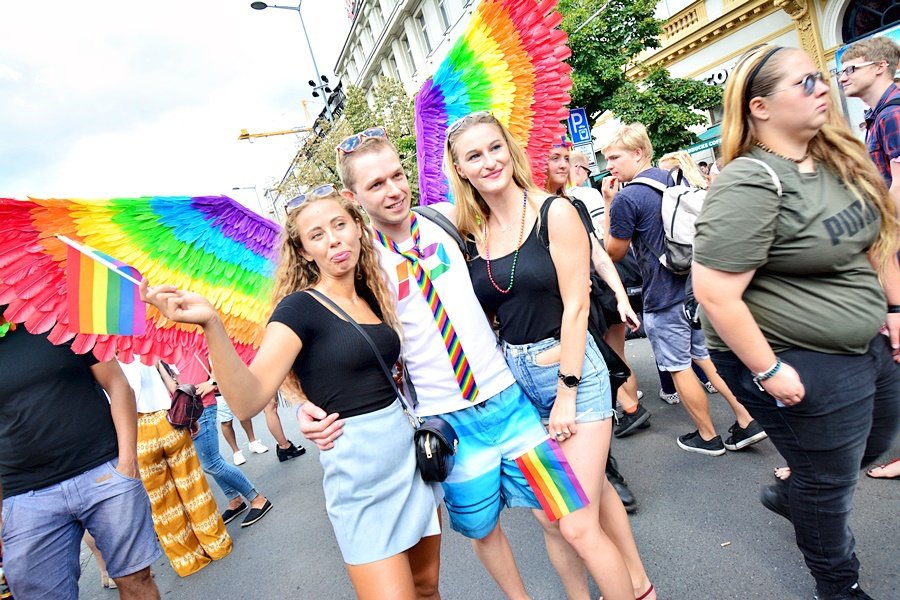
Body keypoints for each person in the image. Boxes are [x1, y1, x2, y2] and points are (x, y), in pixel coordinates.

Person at [301, 128, 649, 599]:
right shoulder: (359, 264)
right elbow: (324, 336)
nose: (393, 190)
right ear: (353, 196)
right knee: (484, 531)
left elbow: (523, 240)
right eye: (376, 184)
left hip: (511, 401)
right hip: (450, 424)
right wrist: (305, 402)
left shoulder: (451, 220)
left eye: (397, 175)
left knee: (564, 517)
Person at [142, 186, 442, 600]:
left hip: (408, 459)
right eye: (317, 234)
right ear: (303, 251)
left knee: (427, 588)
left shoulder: (374, 294)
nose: (333, 239)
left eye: (340, 225)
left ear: (358, 227)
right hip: (359, 477)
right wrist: (211, 323)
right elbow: (248, 399)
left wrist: (306, 402)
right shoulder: (298, 309)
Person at [692, 45, 900, 600]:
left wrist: (897, 309)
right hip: (796, 360)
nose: (824, 88)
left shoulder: (836, 156)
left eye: (823, 77)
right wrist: (769, 371)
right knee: (827, 483)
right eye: (806, 82)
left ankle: (795, 493)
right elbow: (713, 291)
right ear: (760, 107)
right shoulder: (751, 181)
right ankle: (838, 585)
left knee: (878, 440)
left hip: (867, 344)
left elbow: (877, 244)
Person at [448, 112, 654, 600]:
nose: (489, 161)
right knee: (562, 510)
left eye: (495, 148)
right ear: (460, 170)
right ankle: (637, 585)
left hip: (571, 376)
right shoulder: (472, 233)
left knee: (572, 521)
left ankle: (636, 588)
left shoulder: (552, 212)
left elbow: (578, 302)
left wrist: (566, 390)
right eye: (474, 156)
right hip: (516, 384)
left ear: (510, 149)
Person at [602, 123, 767, 456]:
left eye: (614, 157)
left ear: (637, 153)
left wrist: (608, 203)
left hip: (662, 295)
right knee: (706, 359)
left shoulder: (627, 197)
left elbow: (612, 252)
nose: (609, 166)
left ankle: (707, 436)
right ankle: (747, 419)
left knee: (678, 366)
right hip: (696, 287)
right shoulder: (672, 179)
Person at [0, 322, 161, 598]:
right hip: (25, 496)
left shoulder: (55, 314)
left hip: (103, 472)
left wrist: (127, 464)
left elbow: (118, 384)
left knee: (136, 579)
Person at [119, 358, 232, 576]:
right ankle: (217, 545)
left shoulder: (102, 359)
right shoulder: (144, 348)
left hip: (137, 432)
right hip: (169, 421)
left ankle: (188, 560)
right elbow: (174, 386)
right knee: (194, 487)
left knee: (162, 504)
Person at [566, 150, 648, 441]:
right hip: (613, 281)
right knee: (617, 351)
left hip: (596, 284)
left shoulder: (573, 200)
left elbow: (601, 247)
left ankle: (629, 407)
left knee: (605, 354)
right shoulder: (589, 197)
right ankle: (632, 406)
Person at [187, 361, 273, 529]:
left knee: (211, 463)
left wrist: (212, 381)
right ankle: (235, 500)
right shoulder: (155, 338)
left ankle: (257, 499)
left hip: (200, 405)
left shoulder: (189, 335)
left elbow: (222, 356)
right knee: (211, 461)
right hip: (185, 409)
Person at [836, 36, 900, 199]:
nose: (842, 78)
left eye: (851, 70)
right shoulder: (879, 115)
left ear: (880, 66)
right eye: (841, 72)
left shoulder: (891, 115)